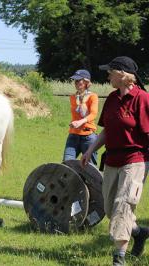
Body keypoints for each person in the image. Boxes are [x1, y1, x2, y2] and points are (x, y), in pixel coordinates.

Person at [81, 56, 149, 266]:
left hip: (135, 160)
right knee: (110, 209)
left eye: (110, 71)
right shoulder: (111, 99)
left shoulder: (142, 99)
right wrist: (90, 150)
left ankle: (118, 258)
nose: (107, 75)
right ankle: (139, 232)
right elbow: (106, 130)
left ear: (122, 74)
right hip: (112, 160)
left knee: (123, 205)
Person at [63, 69, 99, 165]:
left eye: (79, 80)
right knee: (67, 163)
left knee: (90, 169)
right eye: (75, 80)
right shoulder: (73, 97)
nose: (76, 82)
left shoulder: (93, 96)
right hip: (73, 135)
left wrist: (80, 122)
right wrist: (74, 123)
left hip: (88, 137)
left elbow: (93, 114)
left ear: (86, 82)